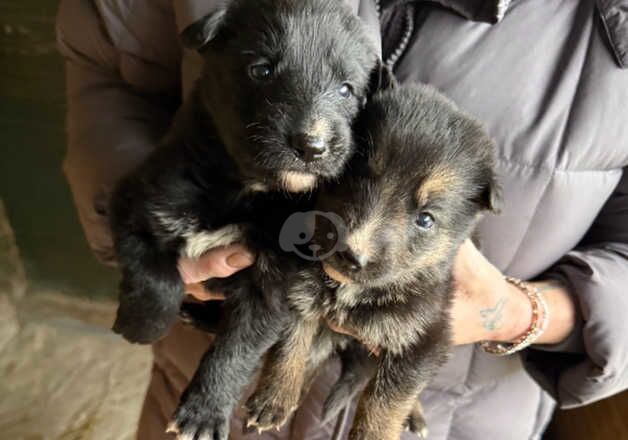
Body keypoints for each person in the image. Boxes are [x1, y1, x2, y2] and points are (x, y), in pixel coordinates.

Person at [56, 0, 628, 438]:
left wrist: (524, 314)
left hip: (462, 412)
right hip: (201, 376)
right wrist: (152, 224)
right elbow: (106, 74)